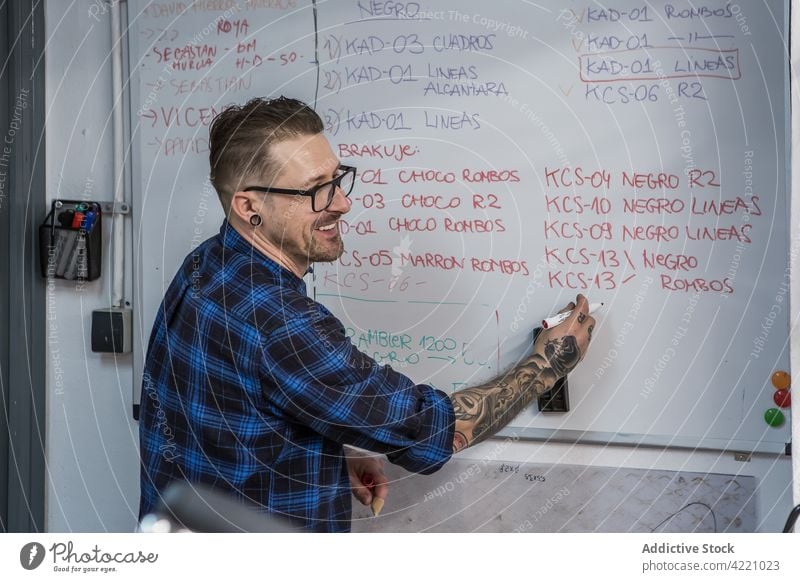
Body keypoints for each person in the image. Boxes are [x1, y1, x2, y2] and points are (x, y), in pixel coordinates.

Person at [138, 96, 595, 532]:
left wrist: (331, 447)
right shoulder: (282, 324)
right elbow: (430, 429)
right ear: (248, 206)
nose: (341, 202)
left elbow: (231, 415)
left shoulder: (206, 264)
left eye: (338, 179)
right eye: (315, 190)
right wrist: (545, 365)